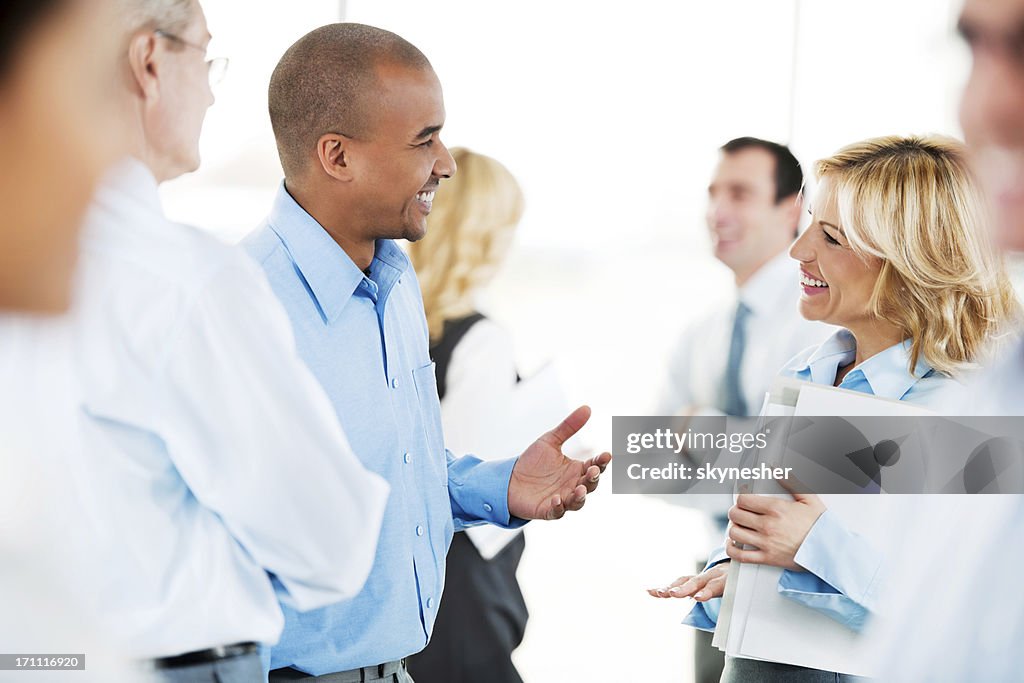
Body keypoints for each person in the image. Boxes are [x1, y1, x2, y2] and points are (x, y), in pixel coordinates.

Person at [245, 23, 611, 682]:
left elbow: (397, 466)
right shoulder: (243, 307)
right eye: (425, 139)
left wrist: (499, 485)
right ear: (337, 156)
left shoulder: (394, 282)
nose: (445, 161)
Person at [64, 1, 391, 680]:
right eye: (204, 57)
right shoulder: (190, 282)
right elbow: (330, 544)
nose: (213, 90)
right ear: (149, 62)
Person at [649, 134, 1019, 682]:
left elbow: (953, 612)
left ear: (909, 259)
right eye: (808, 228)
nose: (799, 252)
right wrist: (748, 571)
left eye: (831, 237)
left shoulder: (956, 406)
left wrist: (811, 547)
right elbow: (663, 463)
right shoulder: (808, 372)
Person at [873, 0, 1024, 679]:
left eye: (833, 232)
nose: (981, 106)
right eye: (972, 50)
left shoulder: (952, 401)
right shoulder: (1000, 389)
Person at [654, 137, 834, 683]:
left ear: (792, 209)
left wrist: (702, 432)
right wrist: (754, 453)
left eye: (740, 193)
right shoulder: (701, 332)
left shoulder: (822, 325)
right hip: (713, 569)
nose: (718, 211)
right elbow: (651, 463)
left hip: (801, 577)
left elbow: (820, 472)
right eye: (713, 193)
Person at [405, 148, 533, 683]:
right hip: (462, 592)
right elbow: (457, 477)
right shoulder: (481, 340)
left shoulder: (398, 321)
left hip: (411, 589)